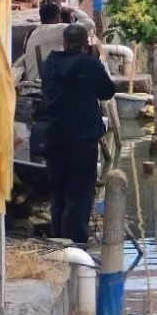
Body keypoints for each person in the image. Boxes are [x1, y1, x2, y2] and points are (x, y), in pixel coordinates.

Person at [40, 24, 116, 244]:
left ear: (64, 43)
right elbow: (107, 91)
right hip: (82, 140)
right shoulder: (89, 65)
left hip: (54, 137)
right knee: (79, 194)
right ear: (85, 45)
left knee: (58, 193)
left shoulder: (50, 63)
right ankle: (76, 243)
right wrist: (96, 60)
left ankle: (58, 241)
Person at [19, 0, 95, 87]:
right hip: (45, 88)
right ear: (58, 17)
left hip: (31, 84)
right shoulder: (57, 29)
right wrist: (72, 10)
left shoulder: (32, 32)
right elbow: (89, 23)